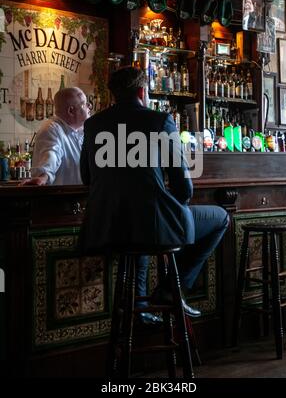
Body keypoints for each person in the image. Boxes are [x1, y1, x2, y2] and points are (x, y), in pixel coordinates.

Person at [80, 67, 229, 320]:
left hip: (104, 227)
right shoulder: (159, 121)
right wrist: (170, 207)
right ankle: (173, 288)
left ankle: (138, 309)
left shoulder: (93, 124)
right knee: (220, 217)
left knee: (140, 225)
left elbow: (87, 177)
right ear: (142, 91)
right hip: (150, 226)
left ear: (113, 94)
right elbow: (184, 187)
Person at [23, 87, 91, 186]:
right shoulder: (51, 129)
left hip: (81, 198)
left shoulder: (82, 131)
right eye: (84, 104)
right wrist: (44, 176)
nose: (89, 106)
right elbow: (51, 153)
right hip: (60, 199)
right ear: (71, 111)